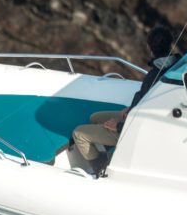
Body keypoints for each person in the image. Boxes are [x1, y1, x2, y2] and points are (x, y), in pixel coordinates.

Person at [72, 24, 178, 173]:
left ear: (150, 48)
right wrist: (131, 109)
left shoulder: (155, 75)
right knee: (95, 117)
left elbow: (148, 120)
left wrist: (119, 126)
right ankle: (116, 150)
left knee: (78, 134)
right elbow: (147, 100)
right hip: (134, 116)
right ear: (170, 44)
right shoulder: (175, 66)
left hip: (133, 127)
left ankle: (101, 166)